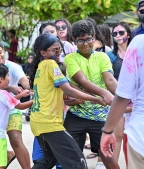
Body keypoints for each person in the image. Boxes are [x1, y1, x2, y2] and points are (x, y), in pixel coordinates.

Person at [29, 33, 107, 169]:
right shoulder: (51, 63)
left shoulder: (40, 67)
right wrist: (96, 98)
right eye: (55, 50)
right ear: (43, 53)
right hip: (50, 124)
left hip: (38, 123)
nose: (59, 53)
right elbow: (68, 90)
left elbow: (65, 90)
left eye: (60, 49)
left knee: (49, 160)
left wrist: (85, 96)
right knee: (78, 161)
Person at [63, 19, 119, 169]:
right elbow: (81, 80)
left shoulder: (103, 57)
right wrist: (102, 95)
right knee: (71, 159)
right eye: (81, 40)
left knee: (108, 158)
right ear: (74, 40)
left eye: (89, 39)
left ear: (94, 37)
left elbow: (110, 80)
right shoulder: (70, 58)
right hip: (76, 116)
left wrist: (122, 97)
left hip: (101, 117)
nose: (86, 44)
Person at [0, 37, 31, 169]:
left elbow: (23, 80)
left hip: (13, 109)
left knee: (16, 139)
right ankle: (5, 157)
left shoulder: (13, 66)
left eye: (0, 52)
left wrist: (27, 87)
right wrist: (11, 88)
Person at [100, 34, 144, 169]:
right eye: (114, 34)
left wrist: (107, 131)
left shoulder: (139, 43)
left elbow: (123, 95)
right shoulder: (111, 54)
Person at [106, 22, 132, 163]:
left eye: (121, 32)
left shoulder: (136, 51)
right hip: (119, 99)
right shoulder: (110, 55)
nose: (118, 36)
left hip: (136, 99)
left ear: (128, 34)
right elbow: (108, 79)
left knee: (133, 138)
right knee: (118, 136)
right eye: (115, 33)